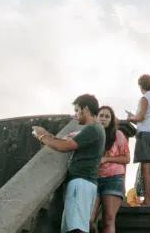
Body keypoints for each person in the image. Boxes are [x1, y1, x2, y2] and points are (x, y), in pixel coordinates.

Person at [32, 94, 105, 233]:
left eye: (77, 110)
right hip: (85, 183)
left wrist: (41, 135)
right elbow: (64, 142)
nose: (76, 114)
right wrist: (50, 136)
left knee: (76, 229)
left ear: (86, 109)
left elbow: (63, 147)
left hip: (81, 183)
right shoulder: (96, 129)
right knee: (74, 228)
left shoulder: (93, 129)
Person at [90, 106, 130, 233]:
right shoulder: (91, 133)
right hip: (93, 179)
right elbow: (73, 138)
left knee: (108, 219)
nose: (103, 118)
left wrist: (107, 159)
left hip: (113, 179)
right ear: (96, 117)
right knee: (88, 219)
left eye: (107, 116)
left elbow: (126, 158)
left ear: (111, 120)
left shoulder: (118, 135)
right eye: (101, 115)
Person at [126, 74, 150, 206]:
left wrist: (130, 117)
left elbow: (140, 117)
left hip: (145, 135)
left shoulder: (144, 98)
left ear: (141, 86)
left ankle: (147, 200)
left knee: (145, 168)